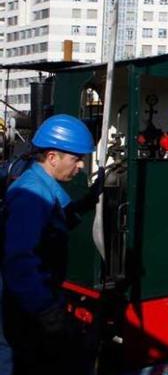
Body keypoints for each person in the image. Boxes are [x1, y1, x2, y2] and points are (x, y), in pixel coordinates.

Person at [0, 114, 104, 375]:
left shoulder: (45, 187)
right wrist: (48, 312)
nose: (80, 165)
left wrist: (91, 200)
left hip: (31, 305)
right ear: (52, 157)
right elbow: (19, 263)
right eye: (76, 159)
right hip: (21, 312)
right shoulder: (31, 196)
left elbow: (57, 224)